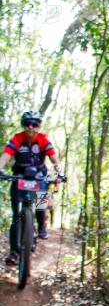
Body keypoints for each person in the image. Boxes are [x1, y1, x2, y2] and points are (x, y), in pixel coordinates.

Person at [0, 111, 64, 264]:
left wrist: (60, 172)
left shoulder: (43, 140)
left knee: (40, 204)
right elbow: (6, 155)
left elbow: (54, 158)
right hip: (20, 177)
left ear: (39, 126)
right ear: (23, 125)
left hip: (38, 176)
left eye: (35, 124)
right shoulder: (17, 139)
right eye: (28, 124)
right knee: (16, 215)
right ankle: (14, 252)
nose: (31, 127)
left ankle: (41, 226)